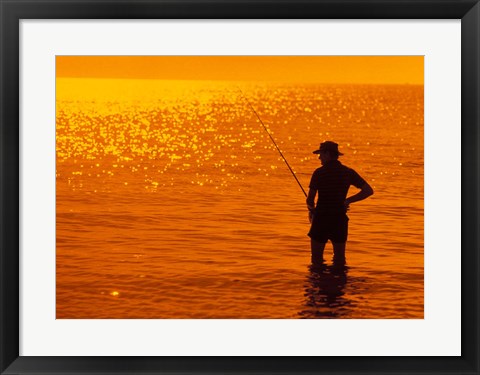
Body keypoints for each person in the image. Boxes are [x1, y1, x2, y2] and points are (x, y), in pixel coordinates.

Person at [306, 141, 373, 267]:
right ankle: (339, 284)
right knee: (339, 260)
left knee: (316, 260)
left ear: (327, 154)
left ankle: (318, 285)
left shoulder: (319, 173)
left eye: (320, 154)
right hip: (339, 220)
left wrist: (311, 210)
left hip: (321, 220)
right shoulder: (348, 172)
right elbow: (368, 191)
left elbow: (310, 199)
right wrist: (347, 201)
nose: (319, 157)